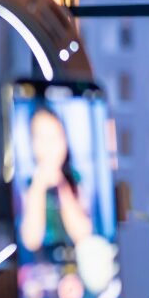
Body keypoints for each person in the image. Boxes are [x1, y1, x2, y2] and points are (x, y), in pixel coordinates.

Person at [18, 103, 94, 258]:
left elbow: (83, 233)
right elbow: (31, 239)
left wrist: (62, 185)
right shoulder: (29, 184)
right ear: (32, 144)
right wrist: (38, 185)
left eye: (55, 136)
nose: (49, 146)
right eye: (42, 138)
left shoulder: (75, 178)